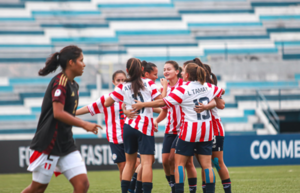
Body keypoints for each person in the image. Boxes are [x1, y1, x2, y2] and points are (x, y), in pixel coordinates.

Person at [132, 63, 225, 193]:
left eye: (183, 71)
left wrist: (143, 104)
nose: (181, 73)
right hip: (206, 130)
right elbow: (221, 91)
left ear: (187, 75)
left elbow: (162, 102)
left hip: (189, 130)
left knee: (179, 164)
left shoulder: (183, 88)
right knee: (207, 165)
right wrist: (208, 104)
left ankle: (178, 190)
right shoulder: (208, 86)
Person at [22, 45, 101, 193]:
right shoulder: (60, 82)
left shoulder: (74, 85)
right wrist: (84, 124)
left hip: (66, 144)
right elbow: (58, 113)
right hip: (49, 144)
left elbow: (68, 113)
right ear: (71, 62)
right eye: (81, 60)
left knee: (82, 184)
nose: (84, 64)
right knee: (37, 189)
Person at [104, 58, 162, 193]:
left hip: (129, 126)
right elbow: (161, 103)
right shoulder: (149, 83)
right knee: (146, 163)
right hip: (145, 127)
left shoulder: (122, 86)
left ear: (127, 71)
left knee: (129, 164)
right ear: (142, 69)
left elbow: (107, 103)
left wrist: (125, 109)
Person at [76, 70, 141, 183]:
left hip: (131, 135)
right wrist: (72, 113)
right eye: (118, 80)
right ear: (113, 82)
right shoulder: (107, 98)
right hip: (115, 138)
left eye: (123, 80)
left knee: (137, 164)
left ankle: (136, 189)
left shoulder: (132, 96)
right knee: (123, 168)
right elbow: (89, 107)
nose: (121, 82)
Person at [155, 60, 198, 193]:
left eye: (169, 69)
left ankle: (186, 189)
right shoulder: (164, 89)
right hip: (170, 129)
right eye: (164, 69)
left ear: (177, 72)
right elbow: (164, 110)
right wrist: (156, 121)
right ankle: (173, 185)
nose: (166, 72)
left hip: (184, 129)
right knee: (165, 161)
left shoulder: (184, 86)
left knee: (183, 161)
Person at [193, 62, 231, 193]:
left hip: (213, 129)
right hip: (200, 129)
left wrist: (206, 106)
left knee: (216, 162)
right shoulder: (193, 86)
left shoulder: (209, 87)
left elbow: (221, 104)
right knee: (205, 165)